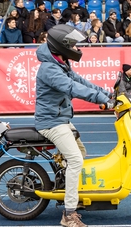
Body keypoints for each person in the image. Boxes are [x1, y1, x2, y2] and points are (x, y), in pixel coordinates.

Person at [34, 24, 112, 227]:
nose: (77, 48)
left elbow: (81, 81)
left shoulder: (60, 63)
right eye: (74, 45)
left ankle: (68, 187)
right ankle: (68, 214)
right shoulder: (49, 68)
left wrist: (108, 94)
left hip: (60, 119)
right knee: (76, 160)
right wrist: (102, 100)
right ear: (62, 46)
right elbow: (72, 87)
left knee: (81, 153)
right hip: (51, 122)